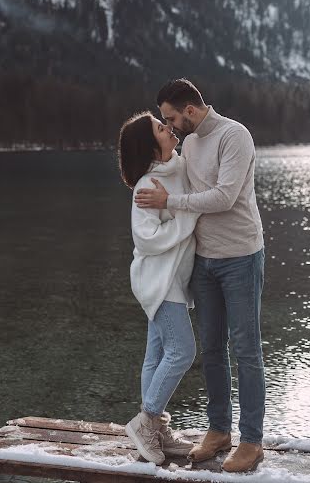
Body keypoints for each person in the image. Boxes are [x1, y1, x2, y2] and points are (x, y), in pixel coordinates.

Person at [135, 79, 265, 473]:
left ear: (190, 110)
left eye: (172, 118)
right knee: (211, 349)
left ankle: (253, 441)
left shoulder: (234, 135)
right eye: (165, 122)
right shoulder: (189, 144)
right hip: (204, 263)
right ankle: (219, 430)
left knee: (246, 348)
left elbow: (224, 197)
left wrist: (168, 201)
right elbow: (165, 174)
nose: (170, 126)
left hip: (240, 257)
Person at [118, 110, 199, 465]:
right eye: (161, 128)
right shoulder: (147, 186)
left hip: (174, 279)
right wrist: (186, 216)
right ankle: (147, 420)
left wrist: (182, 208)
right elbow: (147, 239)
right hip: (158, 281)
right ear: (151, 146)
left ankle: (155, 430)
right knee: (183, 350)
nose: (170, 129)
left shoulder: (177, 167)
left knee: (156, 355)